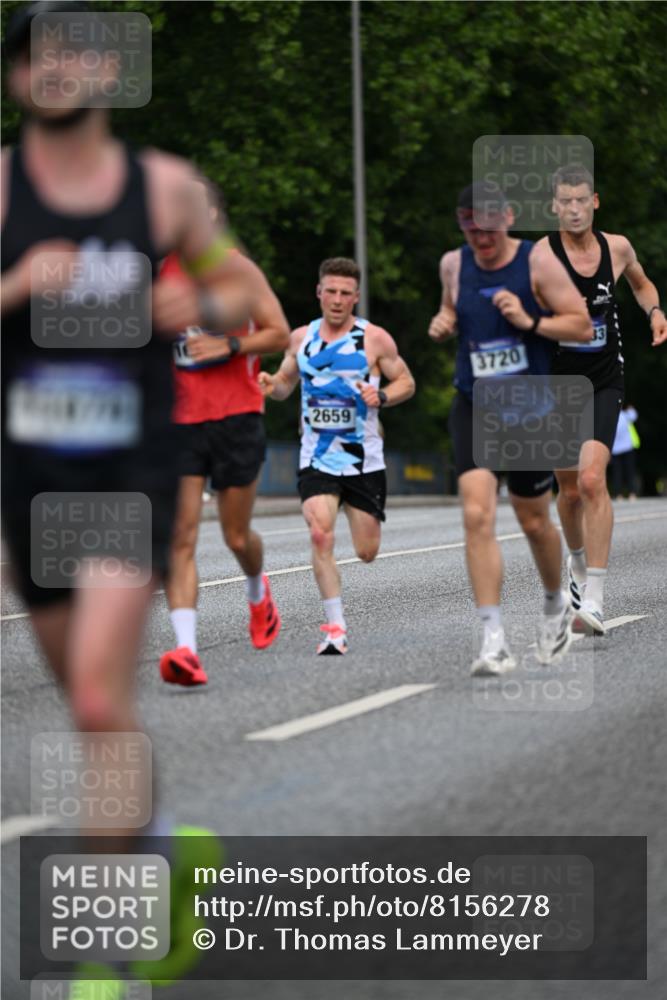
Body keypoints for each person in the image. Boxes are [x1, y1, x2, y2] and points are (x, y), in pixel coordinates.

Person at [1, 1, 253, 989]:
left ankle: (105, 953)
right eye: (34, 56)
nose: (54, 70)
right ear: (17, 79)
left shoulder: (164, 191)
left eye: (73, 54)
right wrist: (20, 283)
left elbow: (244, 297)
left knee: (104, 695)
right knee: (88, 709)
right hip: (33, 480)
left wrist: (203, 300)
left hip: (129, 471)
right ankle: (162, 843)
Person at [429, 182, 593, 676]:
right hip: (475, 402)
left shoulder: (538, 263)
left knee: (533, 520)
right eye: (469, 223)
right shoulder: (453, 264)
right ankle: (493, 639)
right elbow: (453, 309)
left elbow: (581, 325)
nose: (480, 234)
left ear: (509, 216)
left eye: (489, 223)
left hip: (529, 405)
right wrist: (443, 321)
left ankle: (553, 601)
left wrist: (528, 321)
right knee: (477, 515)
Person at [159, 184, 290, 687]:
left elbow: (278, 333)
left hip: (236, 416)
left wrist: (229, 345)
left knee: (236, 535)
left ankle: (258, 591)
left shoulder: (238, 269)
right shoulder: (159, 272)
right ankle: (186, 650)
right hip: (181, 421)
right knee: (180, 536)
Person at [259, 257, 415, 654]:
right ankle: (335, 628)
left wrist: (381, 396)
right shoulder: (301, 338)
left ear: (356, 297)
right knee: (319, 532)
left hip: (364, 461)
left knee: (366, 552)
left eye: (346, 293)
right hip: (316, 456)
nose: (338, 299)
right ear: (319, 292)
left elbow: (407, 383)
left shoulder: (375, 339)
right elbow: (284, 385)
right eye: (331, 290)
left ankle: (355, 518)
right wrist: (269, 383)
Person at [537, 164, 667, 634]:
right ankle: (575, 565)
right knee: (568, 490)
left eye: (580, 200)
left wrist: (654, 310)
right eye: (564, 201)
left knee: (592, 480)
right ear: (554, 206)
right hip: (555, 384)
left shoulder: (618, 247)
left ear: (594, 202)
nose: (573, 209)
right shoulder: (541, 257)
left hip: (603, 379)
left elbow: (641, 282)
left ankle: (594, 598)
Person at [611, 405, 639, 500]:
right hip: (627, 448)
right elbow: (634, 415)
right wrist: (631, 408)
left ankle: (618, 495)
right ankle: (632, 494)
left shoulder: (610, 417)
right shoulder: (625, 415)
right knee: (630, 472)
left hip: (615, 449)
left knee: (617, 473)